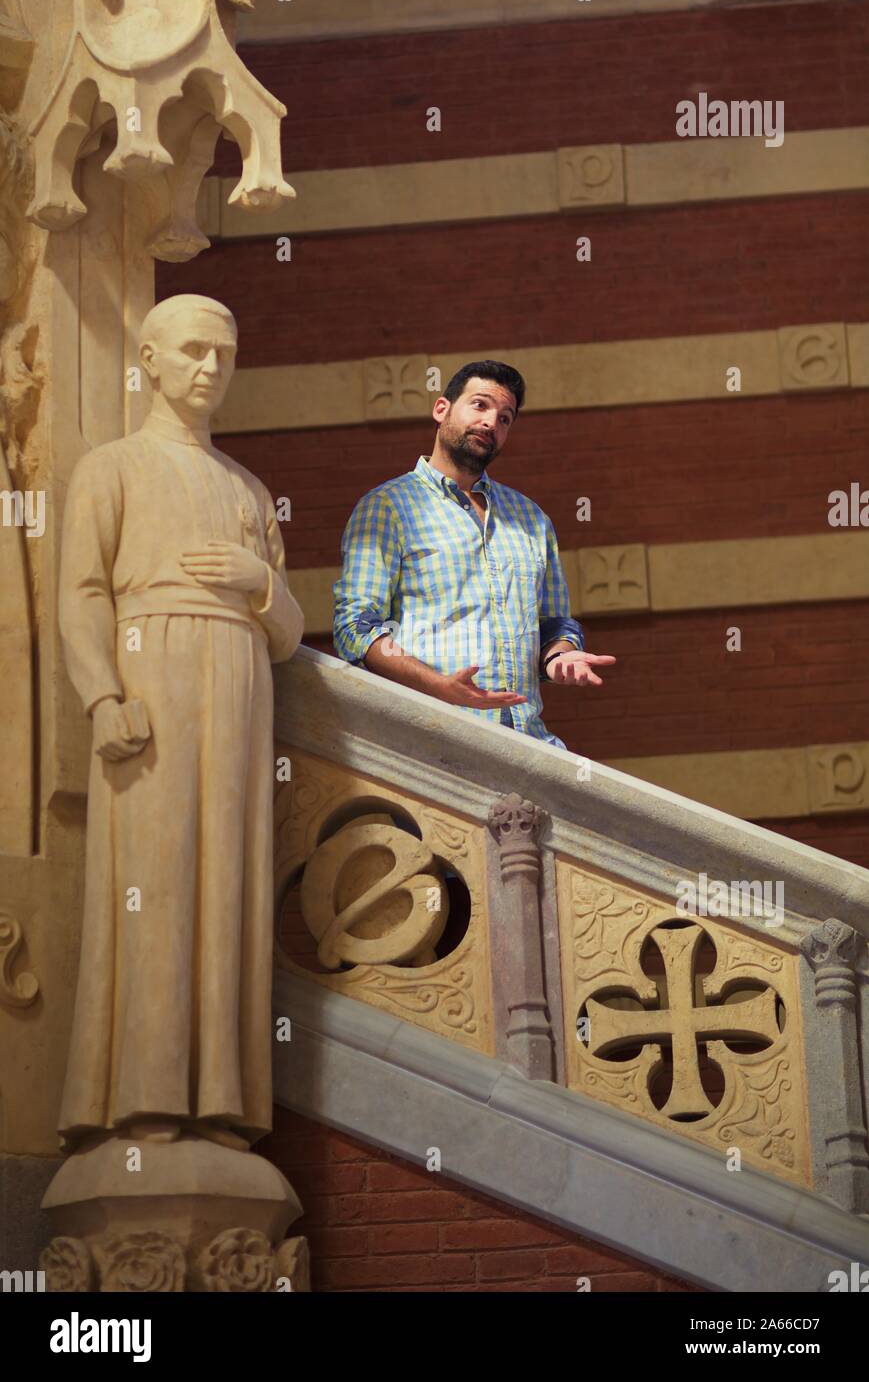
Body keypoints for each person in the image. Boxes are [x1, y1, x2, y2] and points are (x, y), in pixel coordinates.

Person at [58, 294, 304, 1151]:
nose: (209, 369)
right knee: (153, 888)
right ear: (151, 360)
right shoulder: (112, 467)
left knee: (228, 891)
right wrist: (102, 695)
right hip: (148, 685)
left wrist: (258, 581)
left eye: (224, 356)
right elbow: (81, 593)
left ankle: (223, 1105)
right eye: (193, 352)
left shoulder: (248, 488)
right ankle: (143, 1099)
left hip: (238, 691)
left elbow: (289, 633)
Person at [333, 360, 615, 748]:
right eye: (479, 406)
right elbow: (357, 629)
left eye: (505, 418)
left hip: (529, 745)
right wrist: (440, 687)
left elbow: (554, 625)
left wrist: (559, 658)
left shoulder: (531, 519)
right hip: (433, 742)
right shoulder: (387, 507)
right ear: (441, 409)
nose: (491, 423)